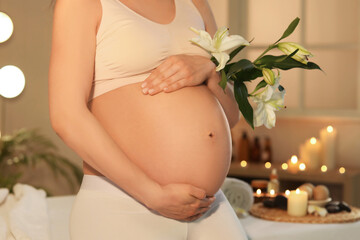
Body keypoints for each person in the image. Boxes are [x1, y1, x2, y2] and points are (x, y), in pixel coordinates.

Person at [48, 0, 248, 239]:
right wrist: (152, 194)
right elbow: (66, 117)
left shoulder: (196, 3)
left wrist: (210, 70)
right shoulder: (81, 3)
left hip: (208, 206)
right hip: (124, 202)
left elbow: (232, 115)